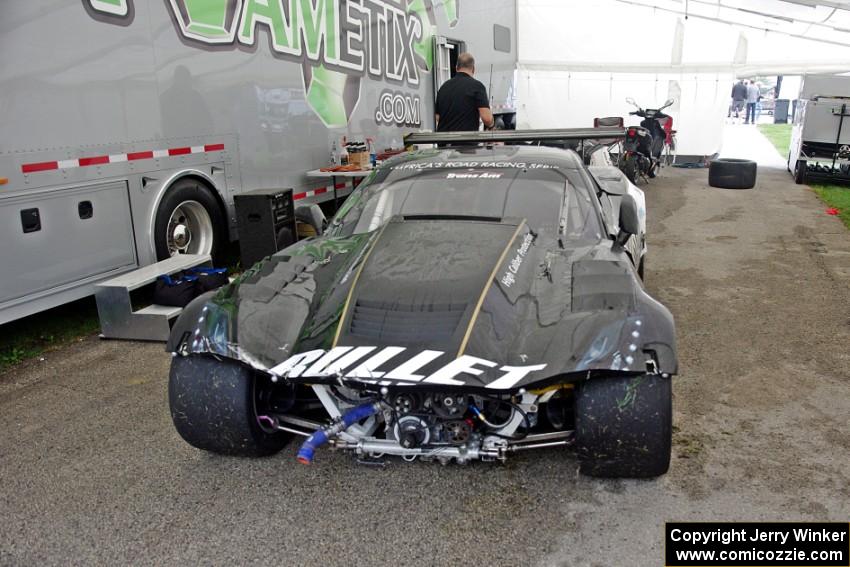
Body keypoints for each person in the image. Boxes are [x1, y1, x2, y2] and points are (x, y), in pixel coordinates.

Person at [435, 52, 494, 132]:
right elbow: (487, 119)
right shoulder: (477, 87)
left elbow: (437, 117)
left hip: (443, 140)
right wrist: (491, 124)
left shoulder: (443, 87)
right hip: (464, 141)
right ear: (473, 69)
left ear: (456, 68)